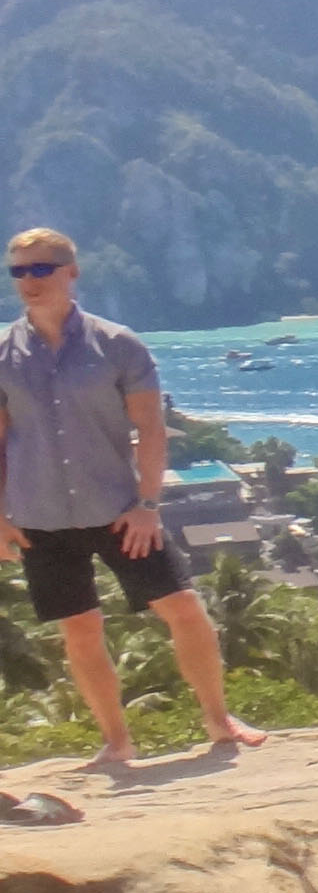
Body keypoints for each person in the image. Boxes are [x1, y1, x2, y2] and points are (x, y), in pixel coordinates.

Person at [0, 230, 267, 762]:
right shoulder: (4, 354)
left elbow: (151, 428)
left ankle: (219, 719)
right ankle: (117, 742)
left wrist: (148, 505)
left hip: (120, 511)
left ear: (71, 272)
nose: (30, 280)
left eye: (42, 268)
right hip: (40, 515)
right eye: (19, 271)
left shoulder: (117, 344)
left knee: (184, 607)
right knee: (80, 629)